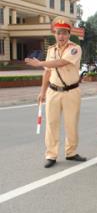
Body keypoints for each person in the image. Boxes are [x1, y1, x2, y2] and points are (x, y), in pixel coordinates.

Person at [25, 16, 86, 168]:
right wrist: (42, 92)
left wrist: (40, 63)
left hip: (71, 92)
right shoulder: (51, 50)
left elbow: (61, 62)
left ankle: (71, 152)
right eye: (58, 33)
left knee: (71, 124)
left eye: (64, 33)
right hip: (53, 91)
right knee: (52, 124)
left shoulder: (75, 48)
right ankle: (51, 155)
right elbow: (47, 72)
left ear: (69, 33)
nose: (61, 36)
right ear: (54, 34)